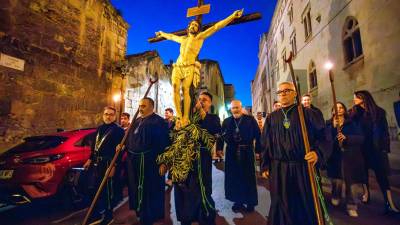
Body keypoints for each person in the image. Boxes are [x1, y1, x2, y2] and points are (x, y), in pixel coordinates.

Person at [155, 10, 243, 127]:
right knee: (175, 88)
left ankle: (186, 116)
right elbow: (171, 36)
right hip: (178, 65)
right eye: (192, 25)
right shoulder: (183, 39)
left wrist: (232, 16)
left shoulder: (200, 38)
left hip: (190, 66)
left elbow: (216, 27)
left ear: (198, 29)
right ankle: (180, 116)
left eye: (196, 26)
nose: (194, 26)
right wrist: (162, 34)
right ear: (189, 27)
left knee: (186, 90)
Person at [261, 82, 331, 225]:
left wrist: (317, 153)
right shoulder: (271, 118)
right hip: (279, 168)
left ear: (295, 93)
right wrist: (265, 165)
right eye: (280, 92)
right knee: (280, 203)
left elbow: (325, 137)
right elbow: (266, 144)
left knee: (304, 203)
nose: (283, 94)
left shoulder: (308, 113)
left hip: (303, 167)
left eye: (287, 90)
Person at [171, 91, 224, 225]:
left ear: (210, 103)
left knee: (203, 187)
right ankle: (186, 217)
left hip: (202, 158)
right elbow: (173, 134)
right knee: (184, 188)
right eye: (199, 99)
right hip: (184, 159)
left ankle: (204, 216)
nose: (201, 101)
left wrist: (203, 115)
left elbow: (216, 132)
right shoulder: (185, 118)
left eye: (204, 99)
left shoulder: (213, 118)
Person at [349, 90, 399, 213]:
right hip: (361, 149)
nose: (354, 99)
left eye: (356, 97)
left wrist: (384, 149)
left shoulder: (379, 112)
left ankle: (389, 202)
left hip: (376, 149)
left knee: (382, 176)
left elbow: (384, 132)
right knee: (363, 173)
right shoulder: (354, 113)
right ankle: (367, 194)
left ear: (363, 98)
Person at [125, 97, 170, 225]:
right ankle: (139, 210)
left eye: (143, 106)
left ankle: (150, 215)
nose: (140, 108)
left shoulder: (159, 122)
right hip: (134, 160)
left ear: (152, 107)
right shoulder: (137, 120)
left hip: (150, 161)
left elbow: (165, 143)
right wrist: (123, 146)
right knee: (135, 186)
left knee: (150, 189)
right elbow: (130, 138)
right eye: (139, 106)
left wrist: (164, 162)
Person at [83, 106, 125, 225]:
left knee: (108, 191)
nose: (108, 116)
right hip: (97, 164)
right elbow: (95, 147)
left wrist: (114, 166)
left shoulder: (118, 131)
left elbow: (119, 152)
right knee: (95, 189)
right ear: (103, 115)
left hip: (109, 164)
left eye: (111, 114)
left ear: (115, 116)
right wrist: (90, 160)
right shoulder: (100, 128)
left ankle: (109, 215)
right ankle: (96, 214)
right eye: (106, 114)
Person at [326, 102, 365, 217]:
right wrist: (333, 128)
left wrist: (347, 138)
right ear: (333, 111)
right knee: (337, 181)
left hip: (350, 157)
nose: (338, 110)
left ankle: (352, 205)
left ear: (344, 109)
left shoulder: (351, 123)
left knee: (351, 184)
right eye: (336, 108)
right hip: (335, 157)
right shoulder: (328, 124)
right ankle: (336, 195)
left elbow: (360, 138)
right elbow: (326, 140)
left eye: (341, 107)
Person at [222, 100, 261, 212]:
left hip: (247, 151)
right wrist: (219, 148)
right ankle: (237, 201)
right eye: (233, 108)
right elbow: (221, 135)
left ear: (241, 107)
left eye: (237, 107)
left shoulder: (250, 120)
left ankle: (250, 202)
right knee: (235, 177)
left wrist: (258, 150)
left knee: (248, 177)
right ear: (231, 109)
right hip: (231, 153)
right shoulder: (226, 121)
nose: (235, 110)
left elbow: (258, 135)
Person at [164, 107, 175, 186]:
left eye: (167, 113)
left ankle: (170, 179)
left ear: (171, 113)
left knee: (171, 163)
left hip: (172, 144)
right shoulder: (163, 122)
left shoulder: (175, 121)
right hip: (165, 144)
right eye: (165, 113)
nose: (166, 115)